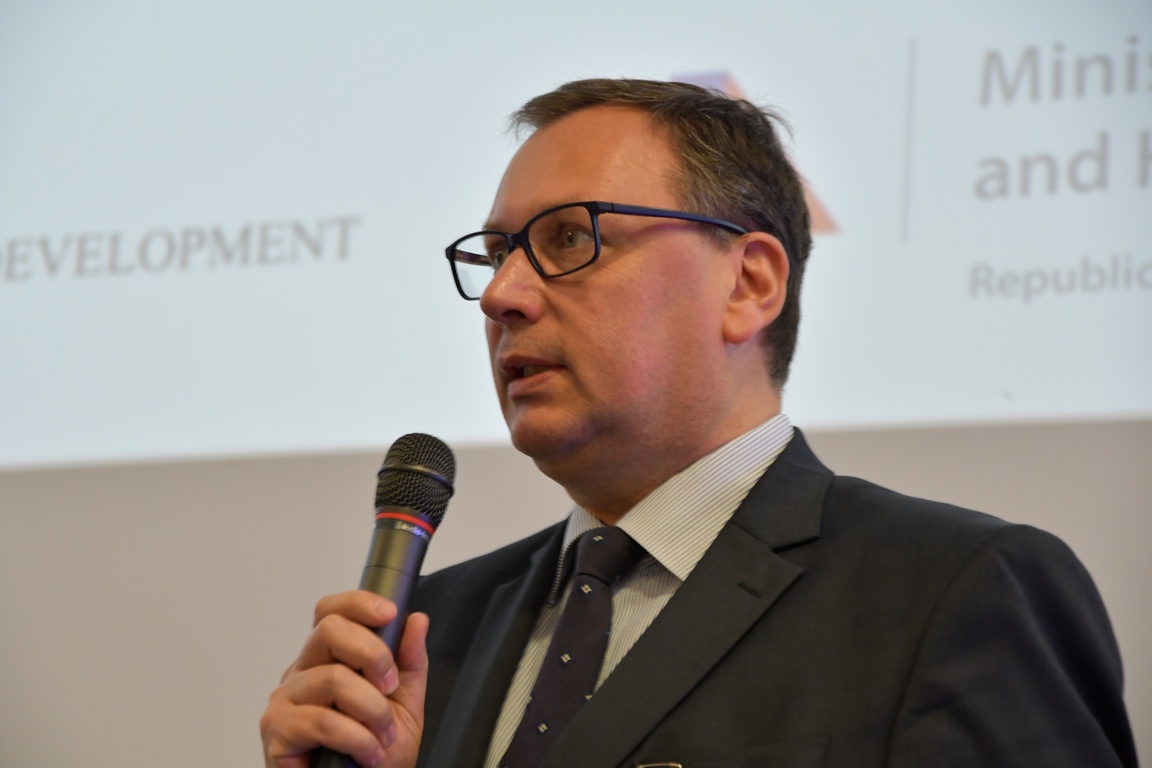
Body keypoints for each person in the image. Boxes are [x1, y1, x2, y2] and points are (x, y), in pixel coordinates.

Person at [260, 79, 1137, 768]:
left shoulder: (952, 593)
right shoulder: (431, 629)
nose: (501, 295)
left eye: (568, 239)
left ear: (748, 284)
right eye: (495, 255)